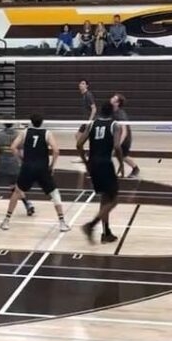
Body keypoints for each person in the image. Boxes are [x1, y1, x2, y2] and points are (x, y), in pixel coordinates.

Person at [2, 114, 69, 232]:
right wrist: (52, 166)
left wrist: (20, 160)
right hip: (42, 168)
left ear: (31, 122)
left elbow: (13, 147)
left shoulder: (25, 132)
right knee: (54, 194)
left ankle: (6, 221)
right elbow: (56, 151)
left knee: (17, 192)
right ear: (42, 122)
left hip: (27, 167)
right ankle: (62, 223)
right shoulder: (47, 133)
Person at [78, 102, 123, 244]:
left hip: (93, 164)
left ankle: (106, 233)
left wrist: (85, 162)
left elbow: (79, 144)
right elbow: (116, 146)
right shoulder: (115, 125)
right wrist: (121, 163)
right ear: (112, 113)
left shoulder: (92, 124)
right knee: (114, 200)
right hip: (105, 164)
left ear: (100, 112)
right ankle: (90, 226)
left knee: (105, 198)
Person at [0, 123, 34, 217]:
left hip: (0, 164)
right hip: (14, 164)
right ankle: (27, 204)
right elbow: (21, 151)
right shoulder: (18, 134)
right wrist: (22, 162)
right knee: (16, 187)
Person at [111, 93, 140, 178]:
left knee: (122, 156)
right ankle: (134, 169)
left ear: (117, 103)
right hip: (116, 137)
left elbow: (125, 131)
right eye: (113, 97)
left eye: (114, 98)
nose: (112, 99)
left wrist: (118, 144)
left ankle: (135, 169)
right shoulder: (111, 111)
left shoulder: (120, 114)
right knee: (121, 156)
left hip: (124, 138)